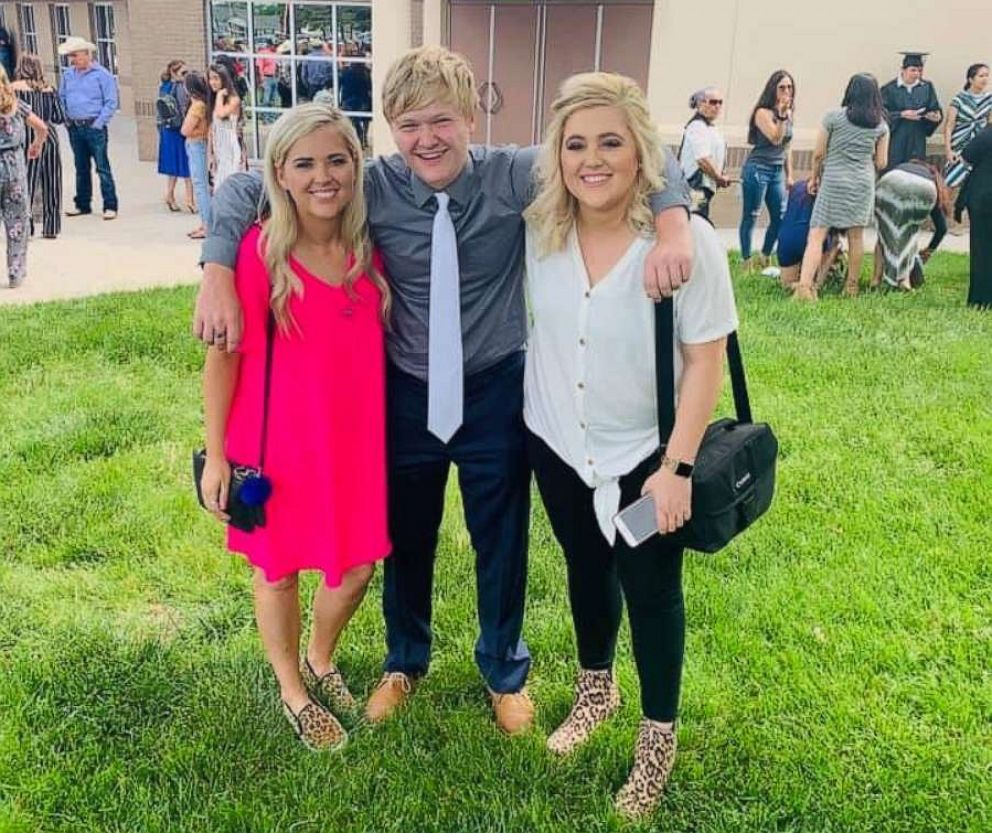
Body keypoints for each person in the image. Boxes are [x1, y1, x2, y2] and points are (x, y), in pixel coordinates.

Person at [194, 46, 694, 735]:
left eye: (440, 121)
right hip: (402, 390)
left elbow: (643, 157)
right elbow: (245, 188)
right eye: (407, 126)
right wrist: (217, 267)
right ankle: (405, 658)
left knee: (502, 537)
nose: (425, 139)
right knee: (405, 535)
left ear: (469, 116)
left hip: (494, 387)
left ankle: (502, 668)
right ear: (389, 132)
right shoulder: (373, 185)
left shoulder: (515, 175)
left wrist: (672, 225)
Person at [523, 73, 738, 819]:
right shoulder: (538, 229)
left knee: (650, 593)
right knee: (587, 568)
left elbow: (705, 361)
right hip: (555, 443)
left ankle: (657, 739)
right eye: (576, 143)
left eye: (611, 141)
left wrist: (677, 467)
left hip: (646, 456)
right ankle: (596, 689)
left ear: (641, 149)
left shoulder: (686, 244)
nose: (592, 159)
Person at [200, 103, 391, 750]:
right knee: (278, 572)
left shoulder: (369, 250)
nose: (323, 176)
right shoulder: (259, 256)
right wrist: (221, 457)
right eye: (304, 162)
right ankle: (292, 688)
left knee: (359, 567)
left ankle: (320, 653)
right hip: (275, 445)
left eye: (337, 159)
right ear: (279, 173)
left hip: (354, 444)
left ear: (356, 164)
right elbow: (222, 359)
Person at [794, 73, 889, 300]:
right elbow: (882, 162)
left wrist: (814, 178)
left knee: (817, 234)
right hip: (862, 184)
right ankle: (852, 287)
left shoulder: (833, 118)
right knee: (856, 235)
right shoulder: (881, 126)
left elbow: (818, 154)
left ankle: (805, 287)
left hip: (834, 181)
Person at [739, 70, 795, 271]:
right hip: (758, 168)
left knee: (780, 216)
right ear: (773, 89)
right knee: (751, 214)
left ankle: (765, 255)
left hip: (777, 170)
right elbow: (775, 138)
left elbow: (787, 146)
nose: (786, 91)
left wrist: (790, 175)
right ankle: (746, 261)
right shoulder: (762, 113)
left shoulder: (789, 114)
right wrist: (780, 117)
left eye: (789, 87)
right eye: (782, 87)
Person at [57, 36, 118, 220]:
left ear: (86, 54)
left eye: (75, 55)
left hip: (94, 126)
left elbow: (111, 102)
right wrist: (66, 119)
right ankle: (82, 204)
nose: (72, 60)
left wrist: (98, 123)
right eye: (70, 56)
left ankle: (110, 205)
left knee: (102, 167)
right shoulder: (68, 75)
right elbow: (62, 98)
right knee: (80, 166)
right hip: (75, 127)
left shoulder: (102, 75)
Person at [0, 65, 48, 287]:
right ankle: (15, 273)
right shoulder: (16, 105)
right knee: (17, 223)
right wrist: (36, 145)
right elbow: (42, 128)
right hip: (14, 171)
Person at [872, 160, 950, 291]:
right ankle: (904, 280)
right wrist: (929, 251)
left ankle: (876, 279)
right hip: (924, 188)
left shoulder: (902, 167)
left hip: (890, 180)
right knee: (911, 233)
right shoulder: (932, 179)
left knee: (883, 234)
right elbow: (942, 228)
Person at [12, 55, 65, 239]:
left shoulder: (14, 89)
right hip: (49, 135)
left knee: (27, 182)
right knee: (52, 180)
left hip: (26, 136)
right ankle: (51, 226)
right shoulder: (49, 89)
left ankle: (26, 227)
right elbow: (59, 117)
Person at [774, 179, 843, 290]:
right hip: (811, 239)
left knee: (786, 286)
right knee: (836, 242)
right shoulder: (832, 190)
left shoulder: (797, 186)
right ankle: (816, 283)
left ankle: (795, 282)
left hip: (787, 241)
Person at [880, 52, 942, 171]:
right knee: (894, 171)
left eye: (919, 70)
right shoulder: (889, 89)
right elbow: (881, 114)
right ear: (902, 70)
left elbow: (934, 108)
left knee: (915, 171)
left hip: (917, 138)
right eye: (913, 70)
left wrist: (934, 117)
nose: (916, 74)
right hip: (896, 139)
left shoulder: (926, 87)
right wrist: (901, 114)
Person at [677, 87, 731, 219]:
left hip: (704, 187)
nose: (717, 106)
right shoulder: (697, 126)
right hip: (696, 187)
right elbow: (702, 160)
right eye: (713, 102)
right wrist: (719, 177)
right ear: (701, 104)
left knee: (697, 219)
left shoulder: (709, 127)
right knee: (696, 220)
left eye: (720, 102)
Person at [958, 124, 992, 307]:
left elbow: (965, 159)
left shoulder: (985, 136)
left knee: (980, 249)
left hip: (982, 199)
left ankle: (979, 297)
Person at [943, 64, 992, 189]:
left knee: (976, 183)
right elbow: (949, 126)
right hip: (959, 145)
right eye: (981, 76)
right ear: (971, 79)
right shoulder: (959, 99)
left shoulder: (989, 99)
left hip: (979, 145)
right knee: (951, 181)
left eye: (987, 75)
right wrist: (948, 150)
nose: (984, 79)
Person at [156, 60, 193, 214]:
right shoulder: (180, 88)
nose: (186, 76)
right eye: (183, 73)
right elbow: (185, 108)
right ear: (174, 73)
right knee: (187, 165)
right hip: (181, 129)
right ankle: (190, 200)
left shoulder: (164, 87)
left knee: (173, 166)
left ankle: (170, 195)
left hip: (168, 129)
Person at [181, 71, 212, 240]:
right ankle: (204, 223)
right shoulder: (201, 103)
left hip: (197, 143)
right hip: (197, 144)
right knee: (201, 185)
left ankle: (207, 224)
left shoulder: (198, 105)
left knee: (200, 186)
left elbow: (185, 129)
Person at [208, 63, 245, 189]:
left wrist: (219, 96)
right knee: (217, 184)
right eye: (210, 78)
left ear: (224, 79)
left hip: (230, 146)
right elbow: (212, 128)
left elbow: (220, 113)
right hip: (219, 146)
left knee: (228, 184)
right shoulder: (216, 100)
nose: (212, 82)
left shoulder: (234, 99)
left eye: (216, 78)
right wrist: (210, 153)